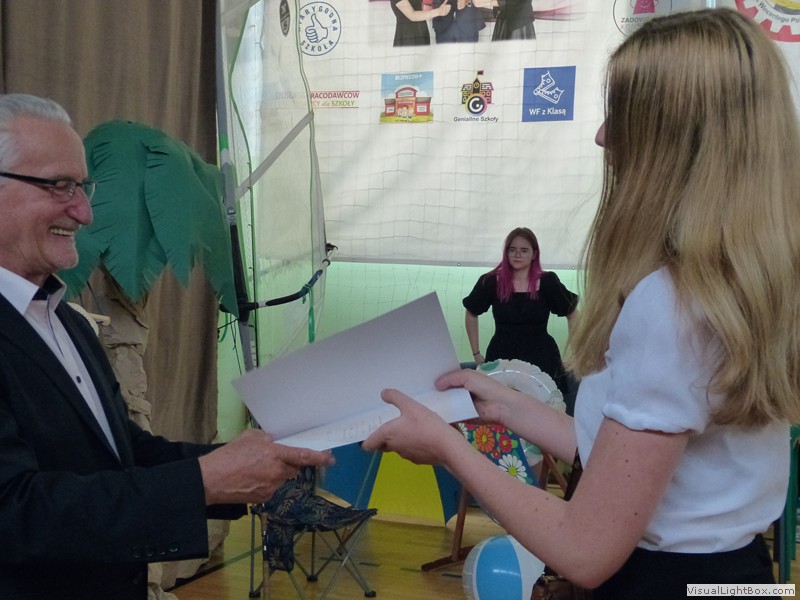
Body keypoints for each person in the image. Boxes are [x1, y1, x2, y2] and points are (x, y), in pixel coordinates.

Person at [364, 8, 800, 599]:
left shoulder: (671, 305)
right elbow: (633, 467)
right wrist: (505, 407)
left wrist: (446, 447)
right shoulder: (743, 282)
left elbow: (585, 549)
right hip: (739, 577)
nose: (601, 136)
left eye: (621, 116)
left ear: (671, 140)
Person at [0, 93, 334, 600]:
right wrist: (203, 481)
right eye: (59, 185)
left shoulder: (66, 321)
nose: (85, 212)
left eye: (84, 186)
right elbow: (16, 512)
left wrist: (245, 461)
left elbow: (124, 455)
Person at [463, 226, 577, 397]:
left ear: (534, 254)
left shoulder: (548, 282)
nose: (517, 255)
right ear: (506, 252)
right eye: (512, 250)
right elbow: (471, 312)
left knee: (544, 409)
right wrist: (476, 354)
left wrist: (574, 354)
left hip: (542, 359)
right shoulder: (490, 281)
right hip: (502, 359)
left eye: (524, 250)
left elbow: (572, 312)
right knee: (498, 407)